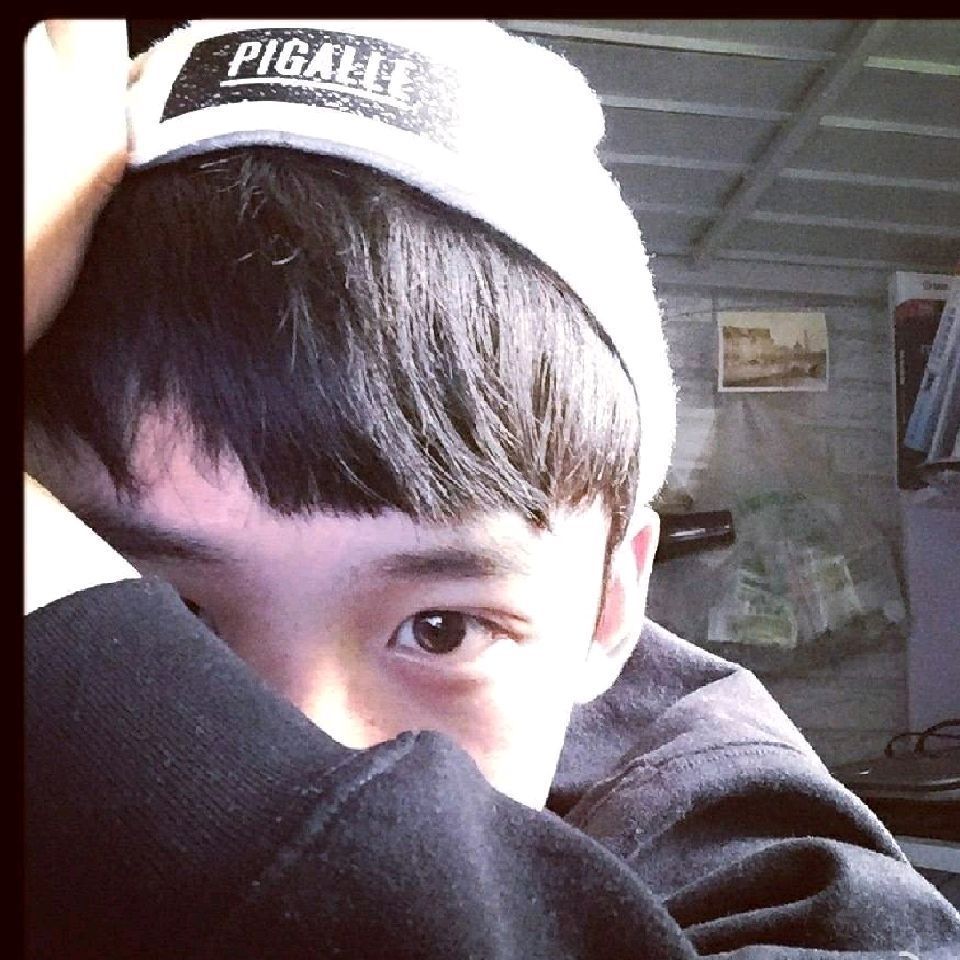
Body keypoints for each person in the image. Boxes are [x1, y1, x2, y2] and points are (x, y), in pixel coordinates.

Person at [24, 18, 960, 959]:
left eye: (440, 629)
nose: (312, 756)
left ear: (611, 608)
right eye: (173, 621)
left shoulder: (769, 871)